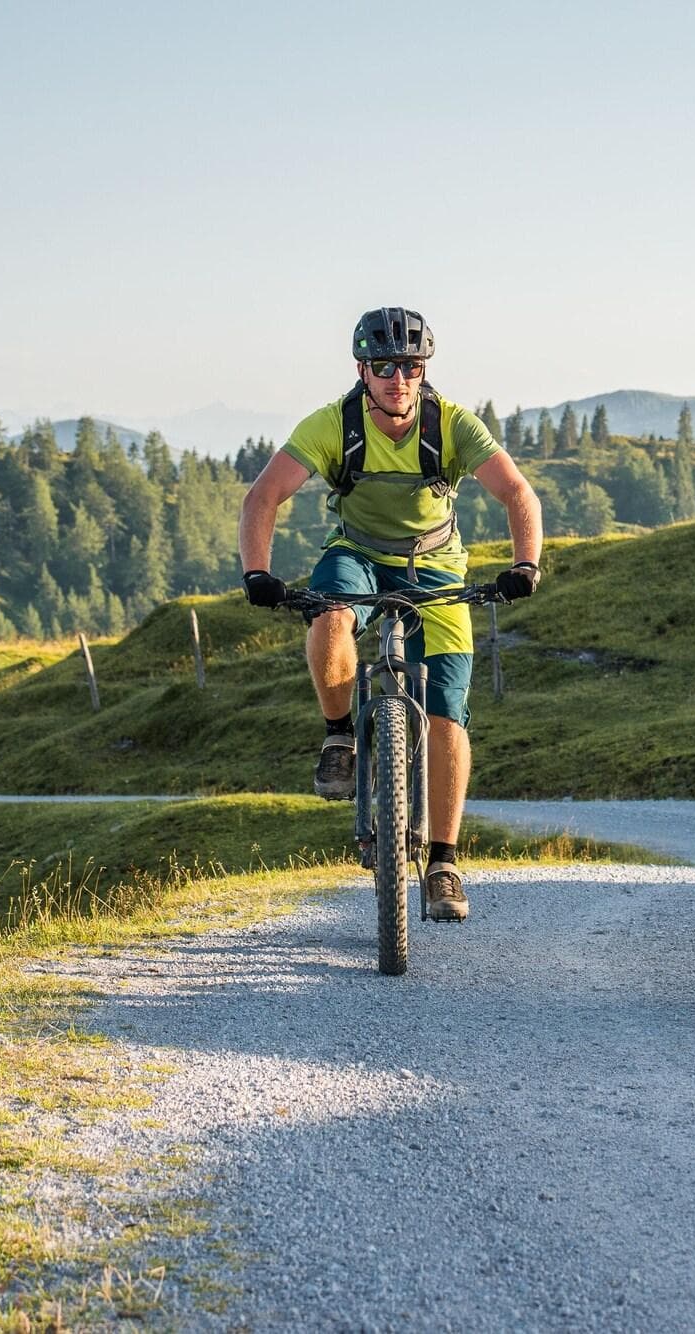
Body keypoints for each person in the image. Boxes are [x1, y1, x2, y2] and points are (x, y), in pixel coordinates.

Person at [238, 306, 543, 923]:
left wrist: (526, 564)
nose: (398, 378)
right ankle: (339, 737)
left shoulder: (452, 424)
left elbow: (516, 492)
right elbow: (263, 495)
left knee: (448, 709)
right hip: (357, 553)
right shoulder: (335, 424)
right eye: (385, 366)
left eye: (410, 366)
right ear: (363, 370)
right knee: (329, 616)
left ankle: (444, 862)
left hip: (435, 564)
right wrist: (257, 574)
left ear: (423, 370)